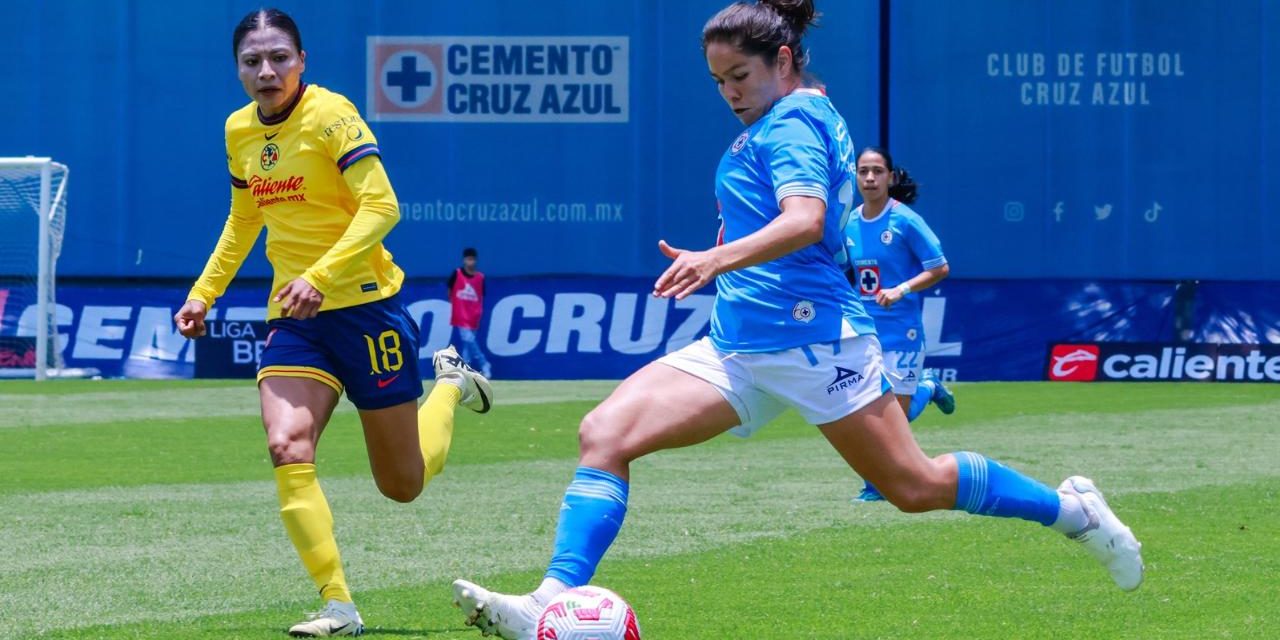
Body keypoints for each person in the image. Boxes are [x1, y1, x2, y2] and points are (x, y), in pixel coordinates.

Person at [449, 1, 1143, 638]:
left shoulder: (794, 122)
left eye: (740, 74)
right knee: (604, 432)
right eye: (718, 79)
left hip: (816, 345)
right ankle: (549, 601)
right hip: (738, 346)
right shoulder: (798, 111)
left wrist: (714, 261)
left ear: (782, 61)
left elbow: (806, 220)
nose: (729, 92)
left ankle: (1073, 510)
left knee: (914, 486)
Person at [173, 9, 492, 637]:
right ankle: (339, 605)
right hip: (295, 318)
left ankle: (451, 384)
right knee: (286, 444)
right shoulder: (240, 131)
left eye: (279, 58)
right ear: (237, 68)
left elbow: (383, 205)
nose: (266, 71)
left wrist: (320, 275)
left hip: (367, 307)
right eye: (252, 61)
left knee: (402, 485)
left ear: (302, 61)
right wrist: (203, 294)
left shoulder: (331, 115)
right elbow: (245, 221)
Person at [845, 147, 954, 502]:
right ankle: (874, 483)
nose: (871, 178)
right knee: (862, 409)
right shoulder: (848, 223)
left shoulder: (905, 221)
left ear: (891, 177)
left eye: (878, 171)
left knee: (898, 420)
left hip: (902, 331)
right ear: (856, 177)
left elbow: (939, 267)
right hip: (863, 332)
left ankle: (926, 387)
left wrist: (901, 289)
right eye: (864, 171)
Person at [447, 247, 492, 378]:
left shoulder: (480, 277)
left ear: (475, 260)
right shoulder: (457, 274)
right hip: (461, 316)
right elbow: (450, 291)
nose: (470, 262)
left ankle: (465, 370)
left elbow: (481, 297)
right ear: (464, 260)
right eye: (468, 259)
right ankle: (484, 363)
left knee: (468, 345)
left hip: (474, 316)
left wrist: (478, 312)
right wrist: (456, 305)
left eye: (472, 259)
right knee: (468, 339)